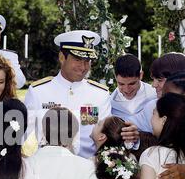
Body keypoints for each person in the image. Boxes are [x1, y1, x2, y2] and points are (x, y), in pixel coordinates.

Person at [24, 30, 138, 159]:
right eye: (78, 59)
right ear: (62, 57)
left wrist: (128, 138)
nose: (83, 67)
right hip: (50, 169)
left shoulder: (99, 94)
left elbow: (106, 136)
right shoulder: (39, 92)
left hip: (88, 170)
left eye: (87, 60)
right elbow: (20, 135)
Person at [110, 54, 156, 123]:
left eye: (132, 84)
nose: (127, 90)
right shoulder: (108, 103)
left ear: (141, 75)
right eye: (121, 84)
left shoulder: (154, 96)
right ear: (115, 77)